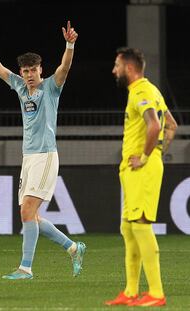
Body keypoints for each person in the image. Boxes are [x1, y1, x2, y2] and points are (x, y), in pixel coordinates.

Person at [0, 21, 86, 280]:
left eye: (33, 70)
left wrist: (69, 44)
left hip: (46, 155)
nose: (29, 75)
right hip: (28, 158)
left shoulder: (51, 87)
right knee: (30, 216)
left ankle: (25, 268)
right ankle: (73, 248)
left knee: (27, 211)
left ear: (41, 70)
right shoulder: (18, 86)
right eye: (25, 71)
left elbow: (65, 67)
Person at [105, 47, 177, 307]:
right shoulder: (150, 90)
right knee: (128, 227)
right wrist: (158, 151)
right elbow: (171, 126)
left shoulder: (142, 91)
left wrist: (148, 156)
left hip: (142, 168)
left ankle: (156, 293)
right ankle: (131, 291)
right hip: (135, 169)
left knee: (140, 226)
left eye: (116, 65)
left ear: (129, 68)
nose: (114, 70)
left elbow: (156, 126)